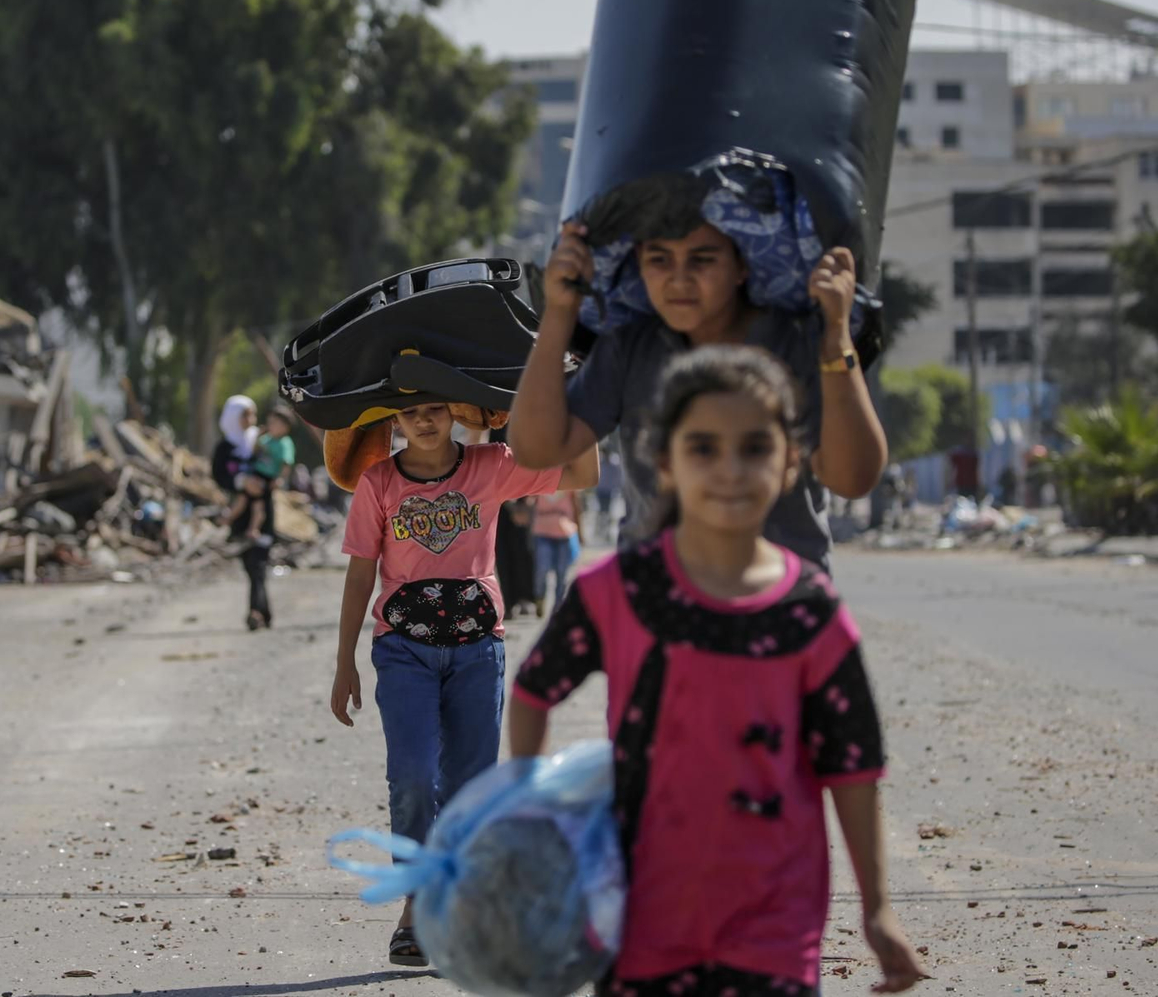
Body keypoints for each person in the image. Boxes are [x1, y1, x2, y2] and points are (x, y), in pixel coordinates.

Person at [508, 346, 924, 996]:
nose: (730, 468)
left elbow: (853, 765)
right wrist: (530, 817)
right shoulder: (615, 591)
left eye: (755, 447)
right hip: (639, 920)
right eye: (703, 447)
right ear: (664, 463)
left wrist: (877, 909)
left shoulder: (811, 612)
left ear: (790, 461)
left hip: (775, 925)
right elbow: (534, 690)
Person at [328, 402, 598, 968]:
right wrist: (344, 660)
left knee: (468, 785)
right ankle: (417, 901)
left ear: (453, 412)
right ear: (392, 423)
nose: (423, 421)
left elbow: (582, 473)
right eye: (410, 413)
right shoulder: (378, 482)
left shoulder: (493, 464)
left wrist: (578, 397)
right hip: (403, 650)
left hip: (478, 650)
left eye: (433, 409)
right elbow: (359, 574)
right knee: (412, 773)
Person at [508, 215, 887, 569]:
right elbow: (537, 449)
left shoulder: (795, 341)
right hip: (656, 596)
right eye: (660, 260)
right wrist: (560, 312)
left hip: (781, 600)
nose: (679, 278)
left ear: (742, 265)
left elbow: (852, 478)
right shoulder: (632, 346)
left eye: (702, 260)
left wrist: (836, 335)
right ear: (639, 262)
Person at [210, 395, 276, 631]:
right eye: (245, 414)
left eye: (252, 414)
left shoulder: (261, 442)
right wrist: (240, 482)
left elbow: (276, 465)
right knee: (251, 566)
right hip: (239, 515)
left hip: (262, 512)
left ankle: (255, 612)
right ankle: (264, 612)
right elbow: (219, 475)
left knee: (258, 563)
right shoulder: (225, 448)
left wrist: (265, 483)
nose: (250, 419)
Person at [222, 405, 297, 545]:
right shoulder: (267, 439)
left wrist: (280, 479)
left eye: (275, 423)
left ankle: (253, 529)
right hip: (256, 473)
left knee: (259, 506)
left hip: (268, 478)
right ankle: (227, 519)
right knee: (242, 499)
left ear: (285, 427)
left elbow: (287, 464)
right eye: (270, 422)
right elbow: (255, 451)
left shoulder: (285, 443)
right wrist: (258, 437)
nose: (271, 426)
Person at [531, 488, 582, 618]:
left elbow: (576, 508)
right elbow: (530, 501)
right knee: (542, 569)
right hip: (542, 532)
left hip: (565, 533)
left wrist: (580, 532)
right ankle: (540, 598)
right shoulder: (540, 481)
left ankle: (559, 607)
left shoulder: (570, 484)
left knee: (562, 572)